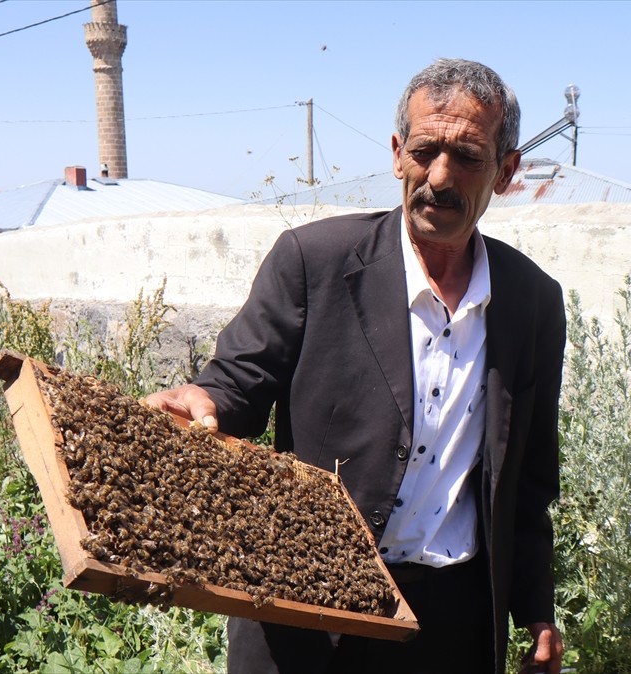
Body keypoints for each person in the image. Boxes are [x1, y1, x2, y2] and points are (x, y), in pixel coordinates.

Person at [146, 58, 566, 674]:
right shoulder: (312, 261)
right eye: (425, 151)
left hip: (453, 624)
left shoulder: (532, 301)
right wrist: (202, 401)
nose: (440, 177)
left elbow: (527, 480)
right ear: (397, 153)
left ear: (506, 171)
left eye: (469, 157)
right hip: (307, 612)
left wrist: (537, 612)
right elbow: (237, 381)